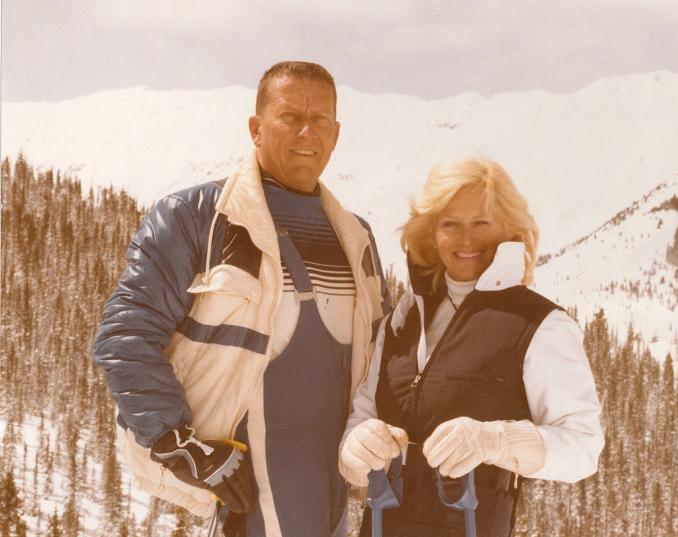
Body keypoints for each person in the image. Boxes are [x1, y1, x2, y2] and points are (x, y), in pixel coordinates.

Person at [93, 61, 391, 537]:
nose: (305, 132)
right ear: (256, 128)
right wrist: (180, 444)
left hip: (333, 500)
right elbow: (124, 338)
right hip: (244, 500)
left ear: (336, 135)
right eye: (289, 116)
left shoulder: (357, 238)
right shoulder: (195, 218)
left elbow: (385, 358)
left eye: (319, 121)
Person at [339, 158, 604, 537]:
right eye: (451, 224)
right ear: (432, 233)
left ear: (510, 230)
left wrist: (493, 441)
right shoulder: (404, 317)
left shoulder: (538, 324)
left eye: (482, 223)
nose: (467, 240)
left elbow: (583, 446)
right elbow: (362, 412)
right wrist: (356, 445)